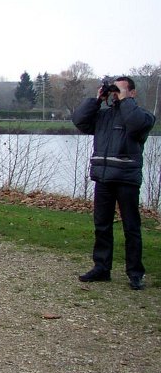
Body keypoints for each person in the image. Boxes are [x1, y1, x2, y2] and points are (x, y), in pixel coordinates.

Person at [72, 76, 155, 290]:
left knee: (131, 228)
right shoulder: (103, 117)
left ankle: (135, 273)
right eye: (114, 90)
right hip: (103, 178)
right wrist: (97, 99)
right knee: (102, 225)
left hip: (126, 179)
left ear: (132, 93)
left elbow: (135, 125)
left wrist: (126, 99)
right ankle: (102, 267)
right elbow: (79, 120)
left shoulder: (143, 116)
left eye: (121, 89)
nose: (116, 94)